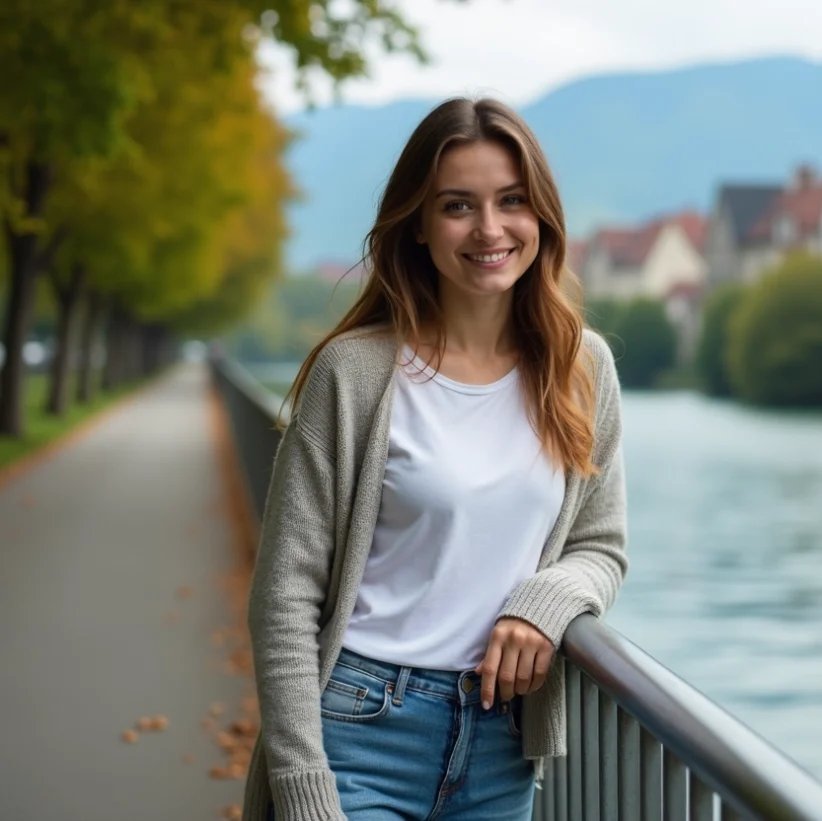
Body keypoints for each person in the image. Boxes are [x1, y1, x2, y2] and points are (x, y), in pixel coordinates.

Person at [240, 97, 629, 821]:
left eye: (511, 201)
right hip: (358, 729)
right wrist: (302, 784)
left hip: (500, 743)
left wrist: (543, 606)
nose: (490, 229)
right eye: (458, 205)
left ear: (541, 214)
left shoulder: (583, 369)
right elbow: (283, 599)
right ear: (418, 224)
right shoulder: (354, 375)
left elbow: (599, 546)